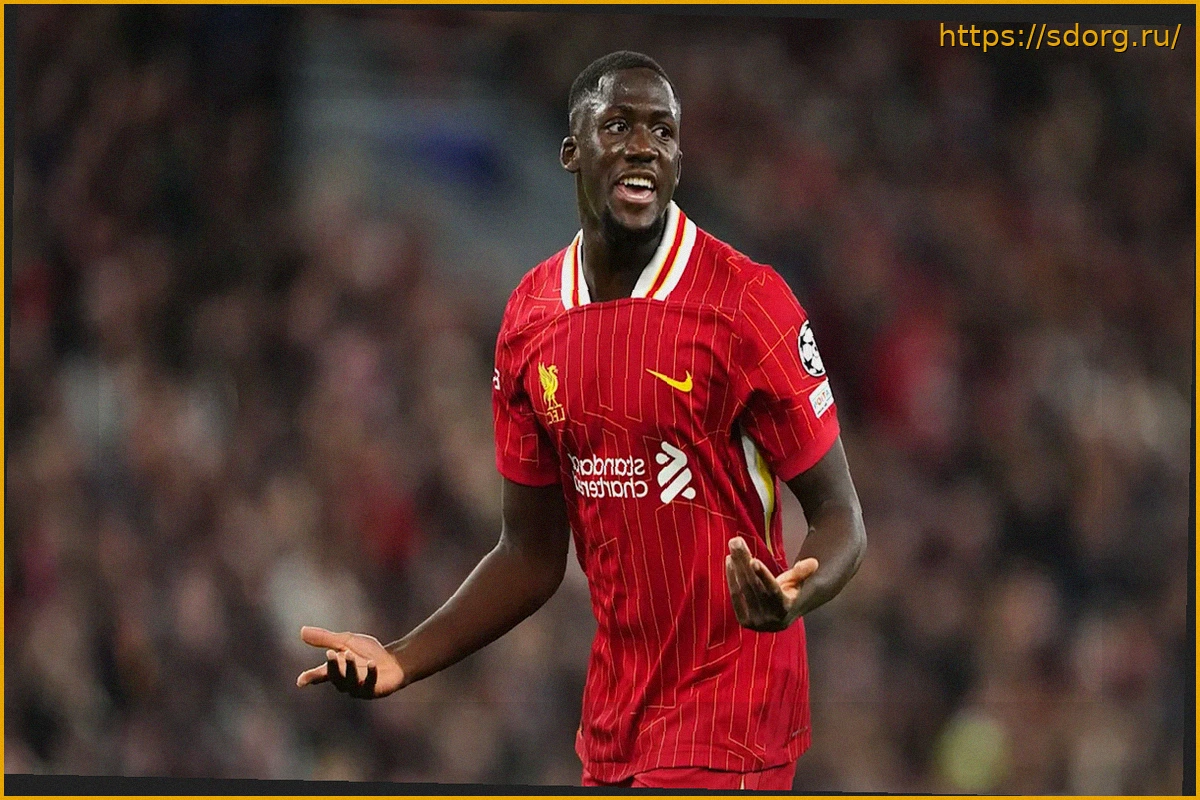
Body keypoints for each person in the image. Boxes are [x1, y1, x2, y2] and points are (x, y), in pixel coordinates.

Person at [297, 51, 866, 791]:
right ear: (571, 151)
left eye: (663, 131)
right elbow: (529, 554)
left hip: (732, 718)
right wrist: (402, 658)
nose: (643, 146)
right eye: (619, 125)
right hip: (614, 726)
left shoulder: (747, 303)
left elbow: (841, 519)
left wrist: (792, 595)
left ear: (678, 161)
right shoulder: (530, 318)